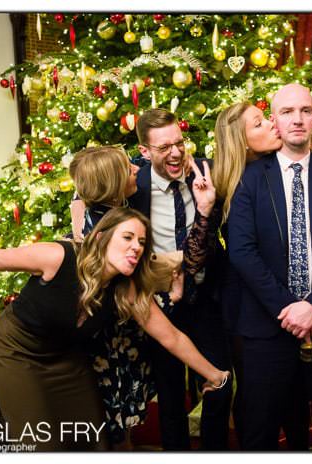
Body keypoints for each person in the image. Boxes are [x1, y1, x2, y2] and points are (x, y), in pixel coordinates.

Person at [0, 207, 230, 452]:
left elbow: (171, 337)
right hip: (16, 351)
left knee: (92, 436)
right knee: (42, 442)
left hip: (65, 357)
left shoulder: (128, 290)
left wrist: (215, 375)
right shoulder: (60, 256)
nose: (135, 247)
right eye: (127, 237)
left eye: (141, 242)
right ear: (101, 237)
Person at [227, 83, 312, 450]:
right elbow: (242, 251)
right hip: (266, 329)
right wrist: (290, 310)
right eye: (287, 112)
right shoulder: (250, 179)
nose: (297, 119)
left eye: (305, 110)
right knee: (259, 434)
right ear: (275, 121)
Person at [68, 145, 214, 448]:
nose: (137, 170)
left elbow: (100, 167)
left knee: (120, 427)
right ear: (113, 183)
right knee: (114, 428)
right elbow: (142, 276)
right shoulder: (109, 229)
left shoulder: (102, 208)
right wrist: (173, 289)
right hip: (113, 342)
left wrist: (167, 153)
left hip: (122, 337)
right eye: (129, 170)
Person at [129, 108, 232, 450]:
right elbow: (87, 195)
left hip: (206, 298)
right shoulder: (133, 185)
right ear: (144, 152)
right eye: (163, 148)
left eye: (179, 143)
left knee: (220, 384)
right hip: (161, 305)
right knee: (171, 397)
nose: (175, 153)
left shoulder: (204, 170)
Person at [211, 101, 283, 443]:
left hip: (272, 300)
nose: (272, 124)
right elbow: (242, 256)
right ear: (241, 142)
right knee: (256, 398)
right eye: (259, 123)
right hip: (247, 307)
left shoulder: (275, 169)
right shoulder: (235, 187)